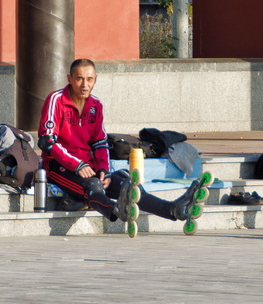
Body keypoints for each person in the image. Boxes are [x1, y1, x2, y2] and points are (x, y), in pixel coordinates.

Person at [38, 59, 201, 227]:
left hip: (88, 167)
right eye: (79, 79)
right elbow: (47, 142)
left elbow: (100, 143)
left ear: (96, 79)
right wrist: (77, 165)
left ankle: (172, 209)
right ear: (69, 78)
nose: (84, 84)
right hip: (58, 168)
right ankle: (116, 209)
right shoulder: (55, 100)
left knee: (127, 184)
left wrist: (104, 170)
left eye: (89, 79)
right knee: (93, 185)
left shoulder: (96, 104)